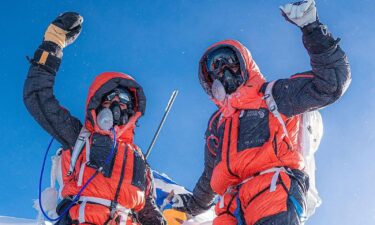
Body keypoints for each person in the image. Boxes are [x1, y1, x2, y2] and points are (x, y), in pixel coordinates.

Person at [171, 0, 351, 225]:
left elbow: (330, 84)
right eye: (215, 68)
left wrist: (312, 29)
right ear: (209, 81)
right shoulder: (218, 123)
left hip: (272, 190)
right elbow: (210, 175)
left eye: (229, 62)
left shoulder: (274, 95)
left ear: (244, 63)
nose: (224, 70)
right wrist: (190, 206)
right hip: (229, 206)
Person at [24, 12, 165, 225]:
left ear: (132, 109)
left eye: (124, 98)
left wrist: (155, 218)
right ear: (98, 103)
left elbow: (147, 205)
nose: (117, 104)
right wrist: (53, 42)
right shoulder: (79, 136)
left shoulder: (139, 159)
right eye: (110, 98)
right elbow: (37, 95)